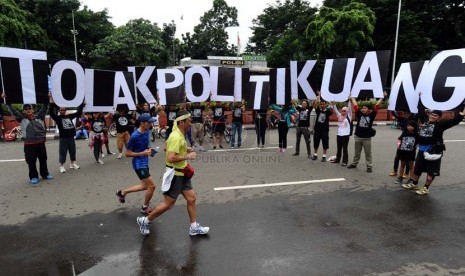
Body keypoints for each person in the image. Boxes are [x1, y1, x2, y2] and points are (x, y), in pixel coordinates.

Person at [136, 110, 209, 236]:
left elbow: (166, 147)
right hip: (175, 175)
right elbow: (170, 157)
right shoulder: (176, 136)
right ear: (182, 122)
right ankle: (145, 220)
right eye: (189, 121)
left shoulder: (178, 133)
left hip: (183, 174)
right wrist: (187, 156)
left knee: (191, 199)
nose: (191, 123)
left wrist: (184, 148)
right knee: (168, 204)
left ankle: (193, 227)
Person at [402, 108, 465, 195]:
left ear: (439, 118)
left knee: (431, 172)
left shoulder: (440, 124)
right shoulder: (425, 123)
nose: (432, 116)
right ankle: (414, 183)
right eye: (431, 114)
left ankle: (426, 188)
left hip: (433, 151)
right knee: (417, 169)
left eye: (435, 115)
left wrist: (461, 113)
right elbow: (419, 112)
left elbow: (455, 121)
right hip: (421, 150)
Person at [2, 93, 53, 184]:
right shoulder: (21, 118)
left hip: (41, 143)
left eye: (29, 108)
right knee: (31, 162)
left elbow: (45, 106)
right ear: (24, 111)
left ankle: (45, 174)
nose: (28, 110)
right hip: (29, 145)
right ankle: (33, 177)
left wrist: (48, 97)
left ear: (33, 110)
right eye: (26, 109)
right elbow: (12, 111)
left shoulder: (39, 116)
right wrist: (6, 101)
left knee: (43, 160)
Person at [116, 114, 158, 215]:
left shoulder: (147, 131)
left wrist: (151, 150)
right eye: (148, 122)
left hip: (145, 162)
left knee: (144, 186)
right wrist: (142, 153)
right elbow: (128, 153)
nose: (150, 124)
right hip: (139, 164)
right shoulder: (134, 136)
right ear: (142, 123)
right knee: (152, 186)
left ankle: (122, 193)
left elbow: (146, 145)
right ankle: (144, 207)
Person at [347, 95, 385, 172]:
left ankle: (369, 166)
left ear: (368, 110)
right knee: (357, 152)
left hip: (367, 138)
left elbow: (376, 105)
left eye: (365, 108)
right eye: (363, 108)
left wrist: (382, 97)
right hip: (358, 137)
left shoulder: (371, 115)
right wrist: (352, 98)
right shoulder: (359, 114)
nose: (363, 109)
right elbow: (355, 105)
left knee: (368, 153)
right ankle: (354, 164)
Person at [49, 101, 84, 173]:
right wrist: (52, 103)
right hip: (63, 138)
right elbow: (51, 113)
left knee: (73, 151)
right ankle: (61, 166)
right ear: (59, 111)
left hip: (71, 137)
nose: (62, 111)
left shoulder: (69, 116)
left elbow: (78, 113)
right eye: (61, 110)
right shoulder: (57, 118)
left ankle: (73, 163)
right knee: (63, 152)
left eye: (64, 110)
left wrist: (82, 105)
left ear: (65, 111)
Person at [389, 111, 415, 177]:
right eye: (405, 113)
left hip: (411, 141)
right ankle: (395, 171)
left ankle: (406, 173)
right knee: (397, 157)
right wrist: (391, 108)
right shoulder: (401, 119)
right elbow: (394, 114)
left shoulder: (412, 120)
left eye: (407, 113)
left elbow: (413, 112)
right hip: (403, 139)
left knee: (407, 159)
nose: (406, 114)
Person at [395, 120, 419, 184]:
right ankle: (400, 177)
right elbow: (399, 139)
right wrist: (398, 145)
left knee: (411, 166)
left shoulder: (416, 134)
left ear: (414, 127)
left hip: (411, 152)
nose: (409, 127)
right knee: (402, 165)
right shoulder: (404, 133)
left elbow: (419, 142)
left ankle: (411, 178)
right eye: (408, 126)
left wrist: (417, 145)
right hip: (402, 151)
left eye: (411, 126)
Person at [311, 96, 333, 162]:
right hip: (317, 130)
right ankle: (315, 154)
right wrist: (317, 98)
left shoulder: (328, 112)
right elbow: (315, 106)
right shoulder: (318, 111)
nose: (322, 105)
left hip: (325, 130)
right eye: (321, 104)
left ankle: (324, 156)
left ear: (325, 104)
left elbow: (332, 109)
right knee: (316, 142)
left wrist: (330, 103)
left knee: (325, 143)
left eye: (323, 104)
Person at [331, 101, 352, 166]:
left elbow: (349, 108)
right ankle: (337, 159)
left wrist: (350, 100)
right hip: (339, 134)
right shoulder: (339, 115)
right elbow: (336, 110)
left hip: (346, 135)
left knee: (345, 148)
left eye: (344, 111)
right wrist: (334, 104)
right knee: (339, 148)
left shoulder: (349, 116)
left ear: (347, 112)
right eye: (342, 111)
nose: (343, 112)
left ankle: (345, 161)